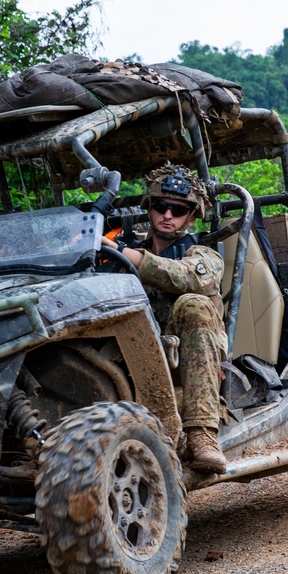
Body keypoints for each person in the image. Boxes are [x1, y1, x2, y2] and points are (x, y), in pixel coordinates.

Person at [101, 164, 228, 473]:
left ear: (192, 216)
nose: (167, 215)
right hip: (132, 360)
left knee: (193, 304)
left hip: (185, 363)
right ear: (150, 208)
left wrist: (122, 252)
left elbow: (188, 277)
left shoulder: (203, 255)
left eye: (178, 209)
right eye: (161, 206)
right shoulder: (121, 254)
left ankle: (202, 435)